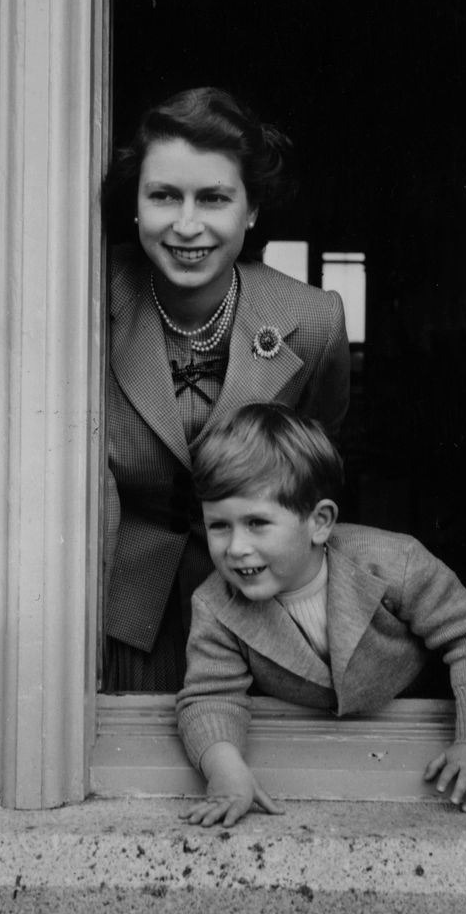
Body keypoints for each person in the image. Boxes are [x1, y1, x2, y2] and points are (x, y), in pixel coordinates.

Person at [103, 88, 351, 691]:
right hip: (117, 612)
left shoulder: (314, 321)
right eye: (164, 196)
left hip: (261, 612)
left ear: (252, 210)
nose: (187, 225)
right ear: (136, 206)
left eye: (213, 198)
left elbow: (313, 467)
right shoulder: (90, 296)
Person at [176, 403, 466, 826]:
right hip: (319, 748)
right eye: (219, 526)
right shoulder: (215, 603)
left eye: (257, 523)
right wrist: (226, 772)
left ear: (320, 522)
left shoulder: (394, 562)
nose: (236, 547)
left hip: (418, 730)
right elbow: (210, 696)